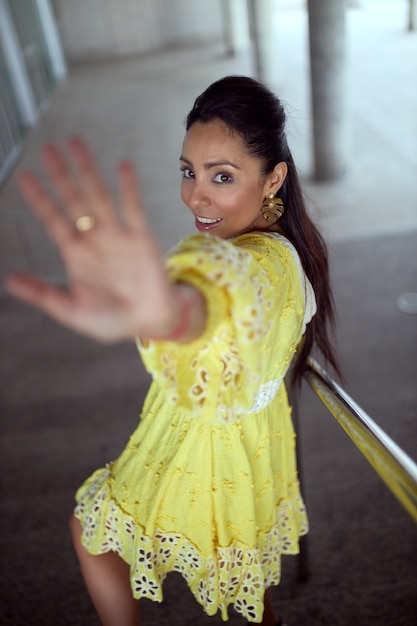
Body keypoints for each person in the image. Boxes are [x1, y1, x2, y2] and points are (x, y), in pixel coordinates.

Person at [6, 75, 340, 626]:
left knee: (95, 535)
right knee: (243, 596)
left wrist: (168, 313)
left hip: (209, 452)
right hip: (234, 443)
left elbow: (224, 291)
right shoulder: (262, 245)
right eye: (189, 172)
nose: (196, 196)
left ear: (273, 177)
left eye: (222, 177)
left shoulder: (270, 261)